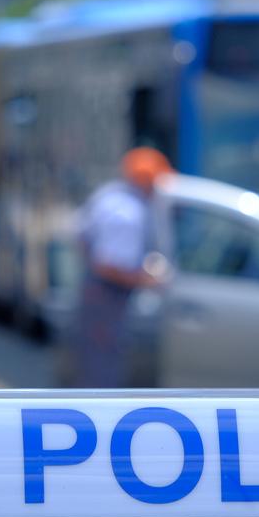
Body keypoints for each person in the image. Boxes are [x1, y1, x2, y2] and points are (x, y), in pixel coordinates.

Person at [72, 147, 172, 387]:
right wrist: (145, 280)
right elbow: (107, 265)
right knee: (102, 369)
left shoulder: (110, 196)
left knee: (93, 361)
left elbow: (82, 239)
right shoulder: (129, 214)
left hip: (96, 293)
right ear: (147, 181)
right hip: (107, 297)